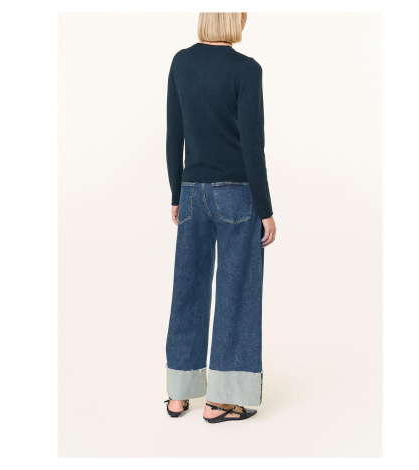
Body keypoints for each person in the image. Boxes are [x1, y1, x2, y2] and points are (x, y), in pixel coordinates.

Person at [164, 12, 276, 424]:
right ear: (234, 19)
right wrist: (265, 209)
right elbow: (252, 145)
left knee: (187, 287)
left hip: (192, 192)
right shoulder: (246, 69)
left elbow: (174, 134)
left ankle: (179, 394)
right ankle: (221, 401)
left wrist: (177, 193)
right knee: (236, 290)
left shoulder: (181, 62)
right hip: (237, 195)